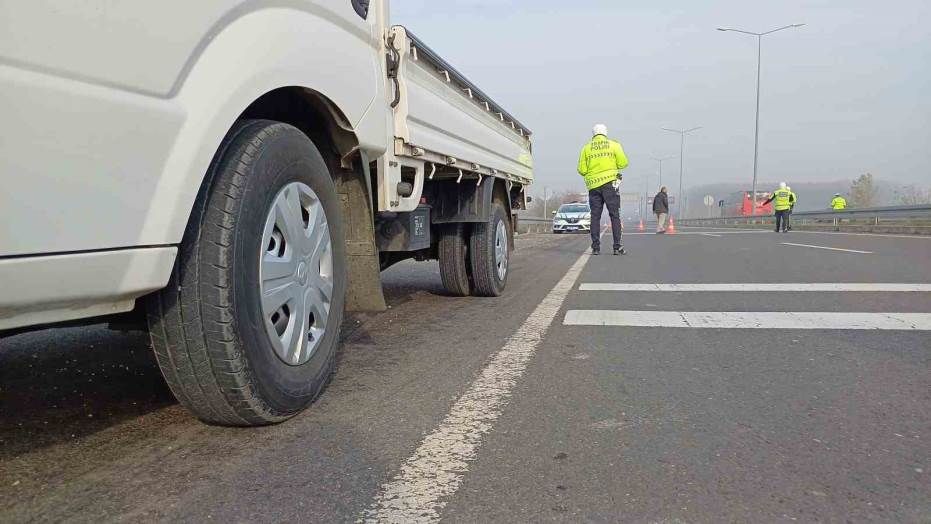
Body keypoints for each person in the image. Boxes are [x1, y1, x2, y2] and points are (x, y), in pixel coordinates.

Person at [577, 124, 629, 255]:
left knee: (595, 217)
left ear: (593, 134)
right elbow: (623, 163)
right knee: (614, 215)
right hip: (611, 184)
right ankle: (617, 247)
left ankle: (595, 248)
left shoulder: (586, 148)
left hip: (594, 186)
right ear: (606, 133)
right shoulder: (614, 145)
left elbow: (582, 170)